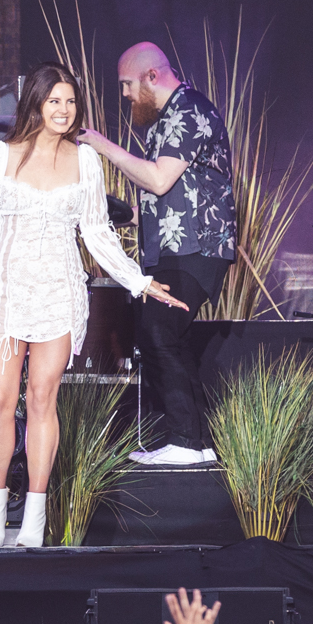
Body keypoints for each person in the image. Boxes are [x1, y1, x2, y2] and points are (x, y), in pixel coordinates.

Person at [0, 62, 184, 548]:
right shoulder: (0, 157)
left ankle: (33, 517)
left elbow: (97, 231)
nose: (64, 110)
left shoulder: (85, 162)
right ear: (36, 103)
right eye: (54, 101)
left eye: (70, 102)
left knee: (43, 399)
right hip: (5, 289)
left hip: (58, 289)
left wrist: (138, 280)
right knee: (2, 402)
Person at [80, 42, 235, 467]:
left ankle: (186, 442)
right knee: (170, 336)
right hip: (172, 249)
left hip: (196, 248)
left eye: (127, 84)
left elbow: (161, 180)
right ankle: (197, 444)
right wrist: (123, 213)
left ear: (152, 76)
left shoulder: (189, 110)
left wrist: (100, 144)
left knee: (160, 332)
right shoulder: (164, 122)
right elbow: (166, 193)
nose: (125, 94)